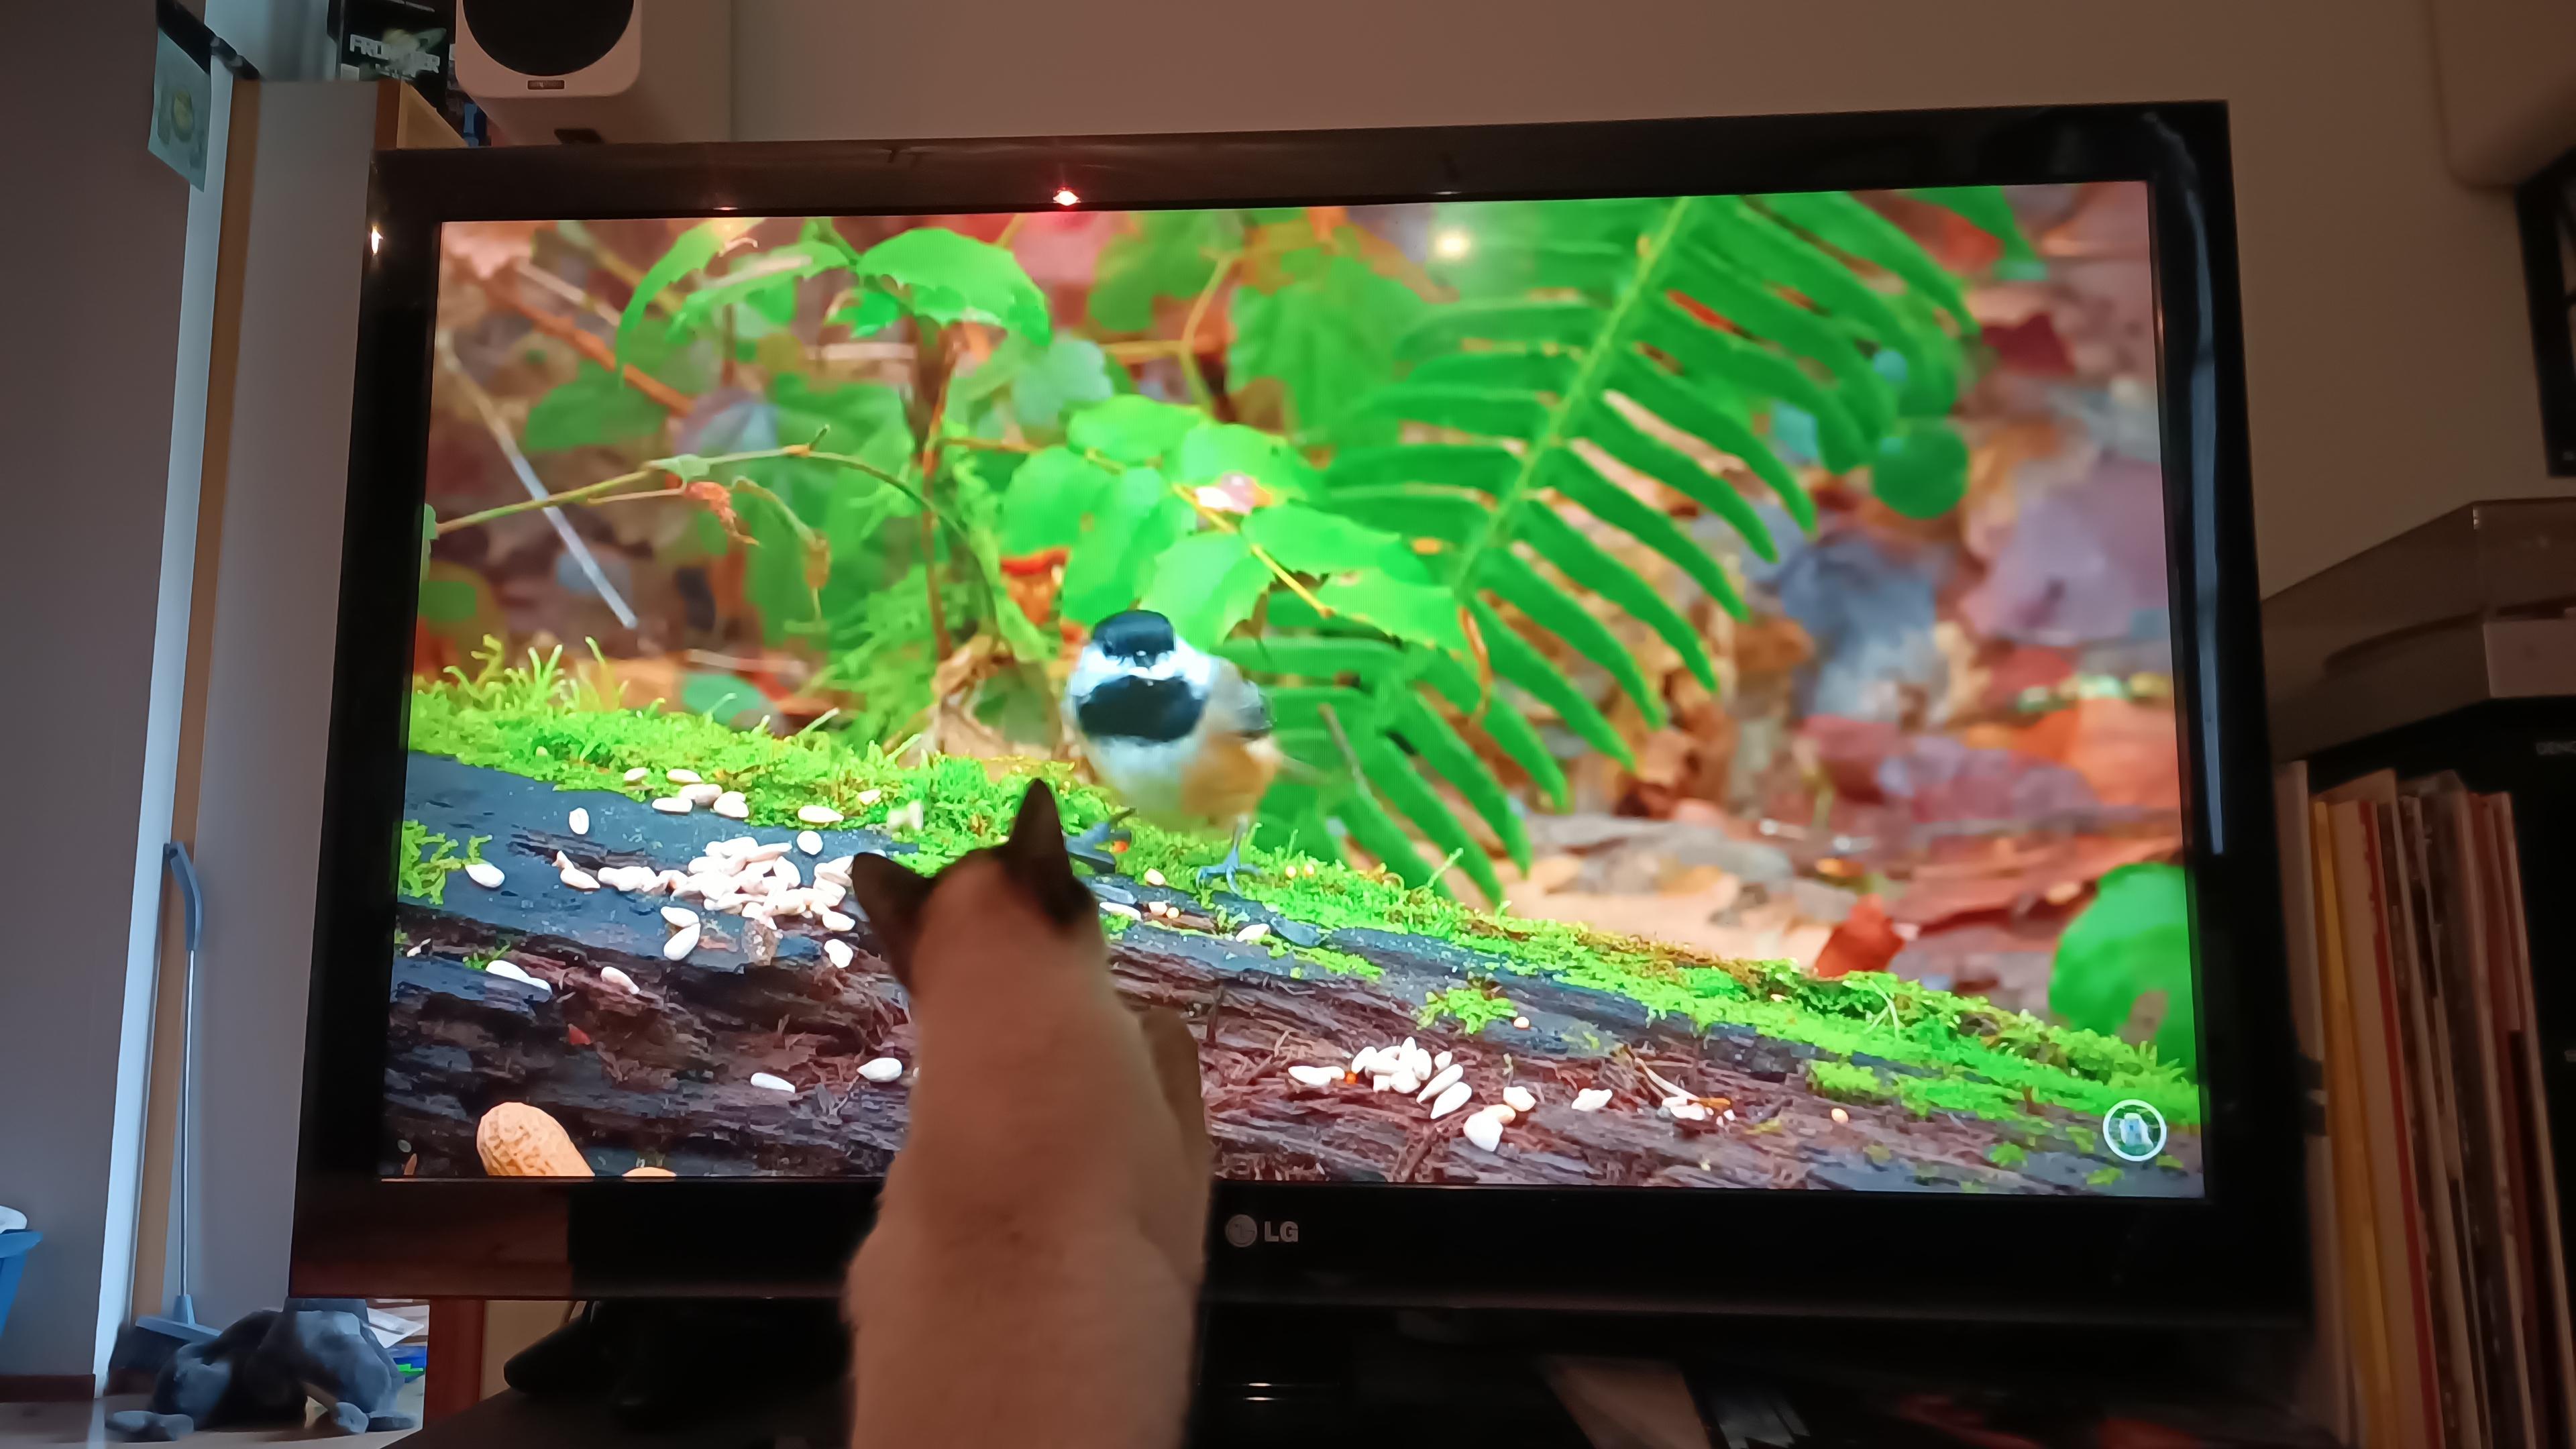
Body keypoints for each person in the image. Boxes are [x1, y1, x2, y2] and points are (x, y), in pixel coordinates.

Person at [843, 782, 1210, 1449]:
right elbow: (1181, 1246)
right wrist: (1172, 1052)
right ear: (1065, 903)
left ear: (913, 961)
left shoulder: (934, 1145)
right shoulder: (1107, 1060)